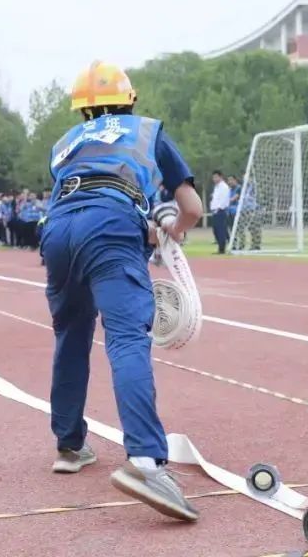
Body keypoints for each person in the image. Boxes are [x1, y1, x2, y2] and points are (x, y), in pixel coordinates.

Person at [40, 60, 203, 522]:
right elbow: (191, 207)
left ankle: (69, 446)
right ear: (129, 101)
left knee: (71, 337)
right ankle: (146, 463)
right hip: (111, 226)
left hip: (58, 230)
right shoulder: (147, 130)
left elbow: (78, 195)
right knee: (127, 339)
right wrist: (173, 227)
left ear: (82, 110)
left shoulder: (64, 143)